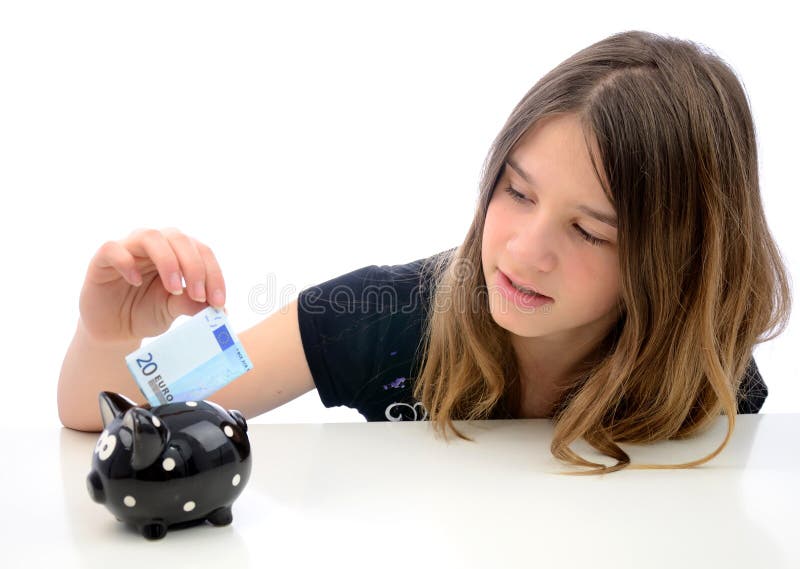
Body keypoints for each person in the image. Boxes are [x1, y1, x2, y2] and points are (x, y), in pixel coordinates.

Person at [58, 30, 792, 475]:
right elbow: (122, 415)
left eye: (589, 230)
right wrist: (108, 335)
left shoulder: (707, 377)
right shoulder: (377, 312)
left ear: (676, 264)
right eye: (518, 192)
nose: (524, 252)